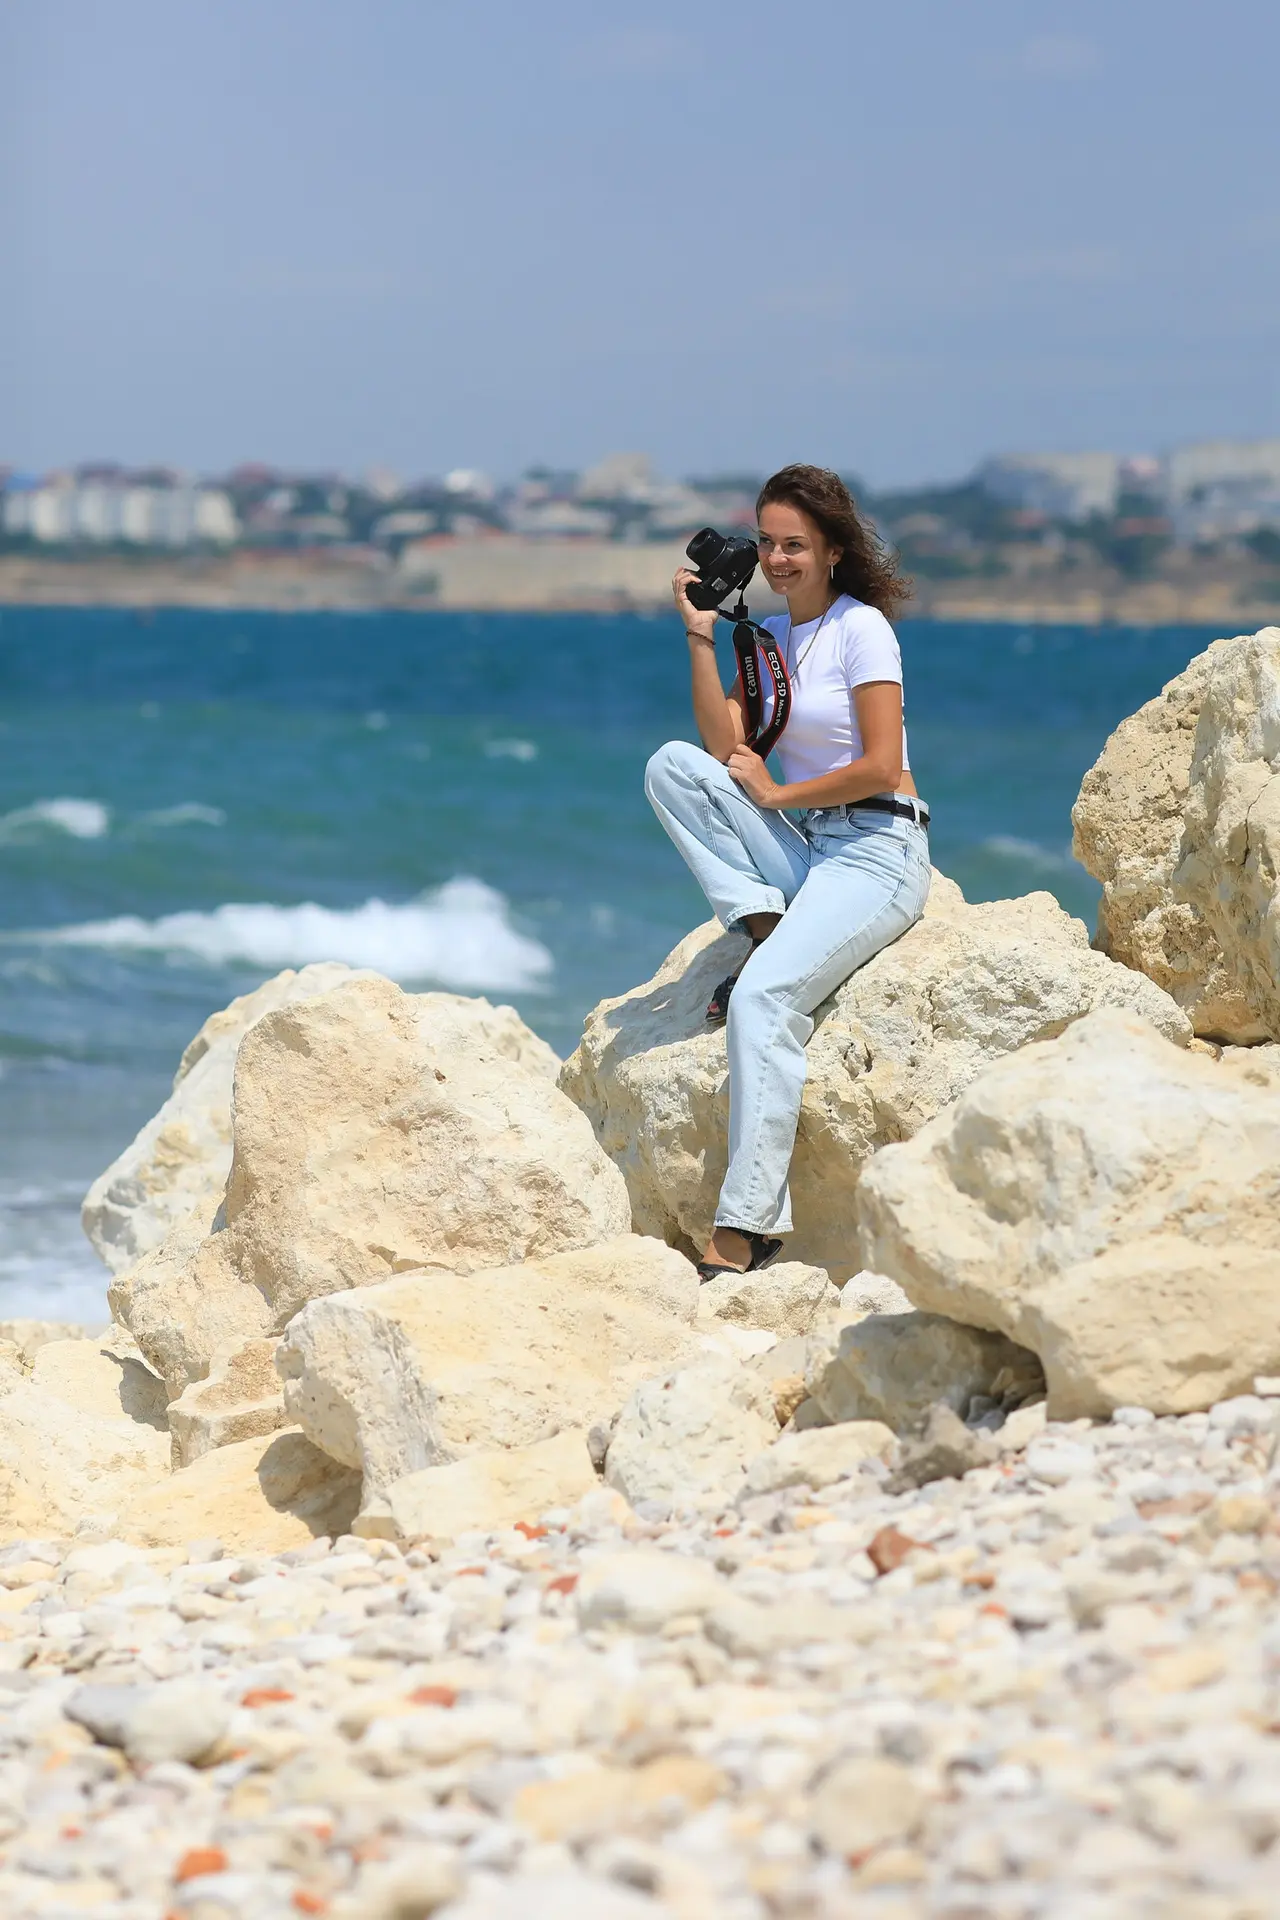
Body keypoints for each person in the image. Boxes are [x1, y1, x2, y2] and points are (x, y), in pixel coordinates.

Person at [645, 464, 930, 1280]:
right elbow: (721, 748)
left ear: (834, 550)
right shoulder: (776, 639)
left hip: (876, 851)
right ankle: (767, 925)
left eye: (795, 545)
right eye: (767, 543)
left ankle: (745, 1229)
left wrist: (779, 794)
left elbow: (881, 765)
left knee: (763, 1000)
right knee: (671, 766)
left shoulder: (861, 630)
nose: (776, 559)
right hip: (809, 849)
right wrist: (700, 634)